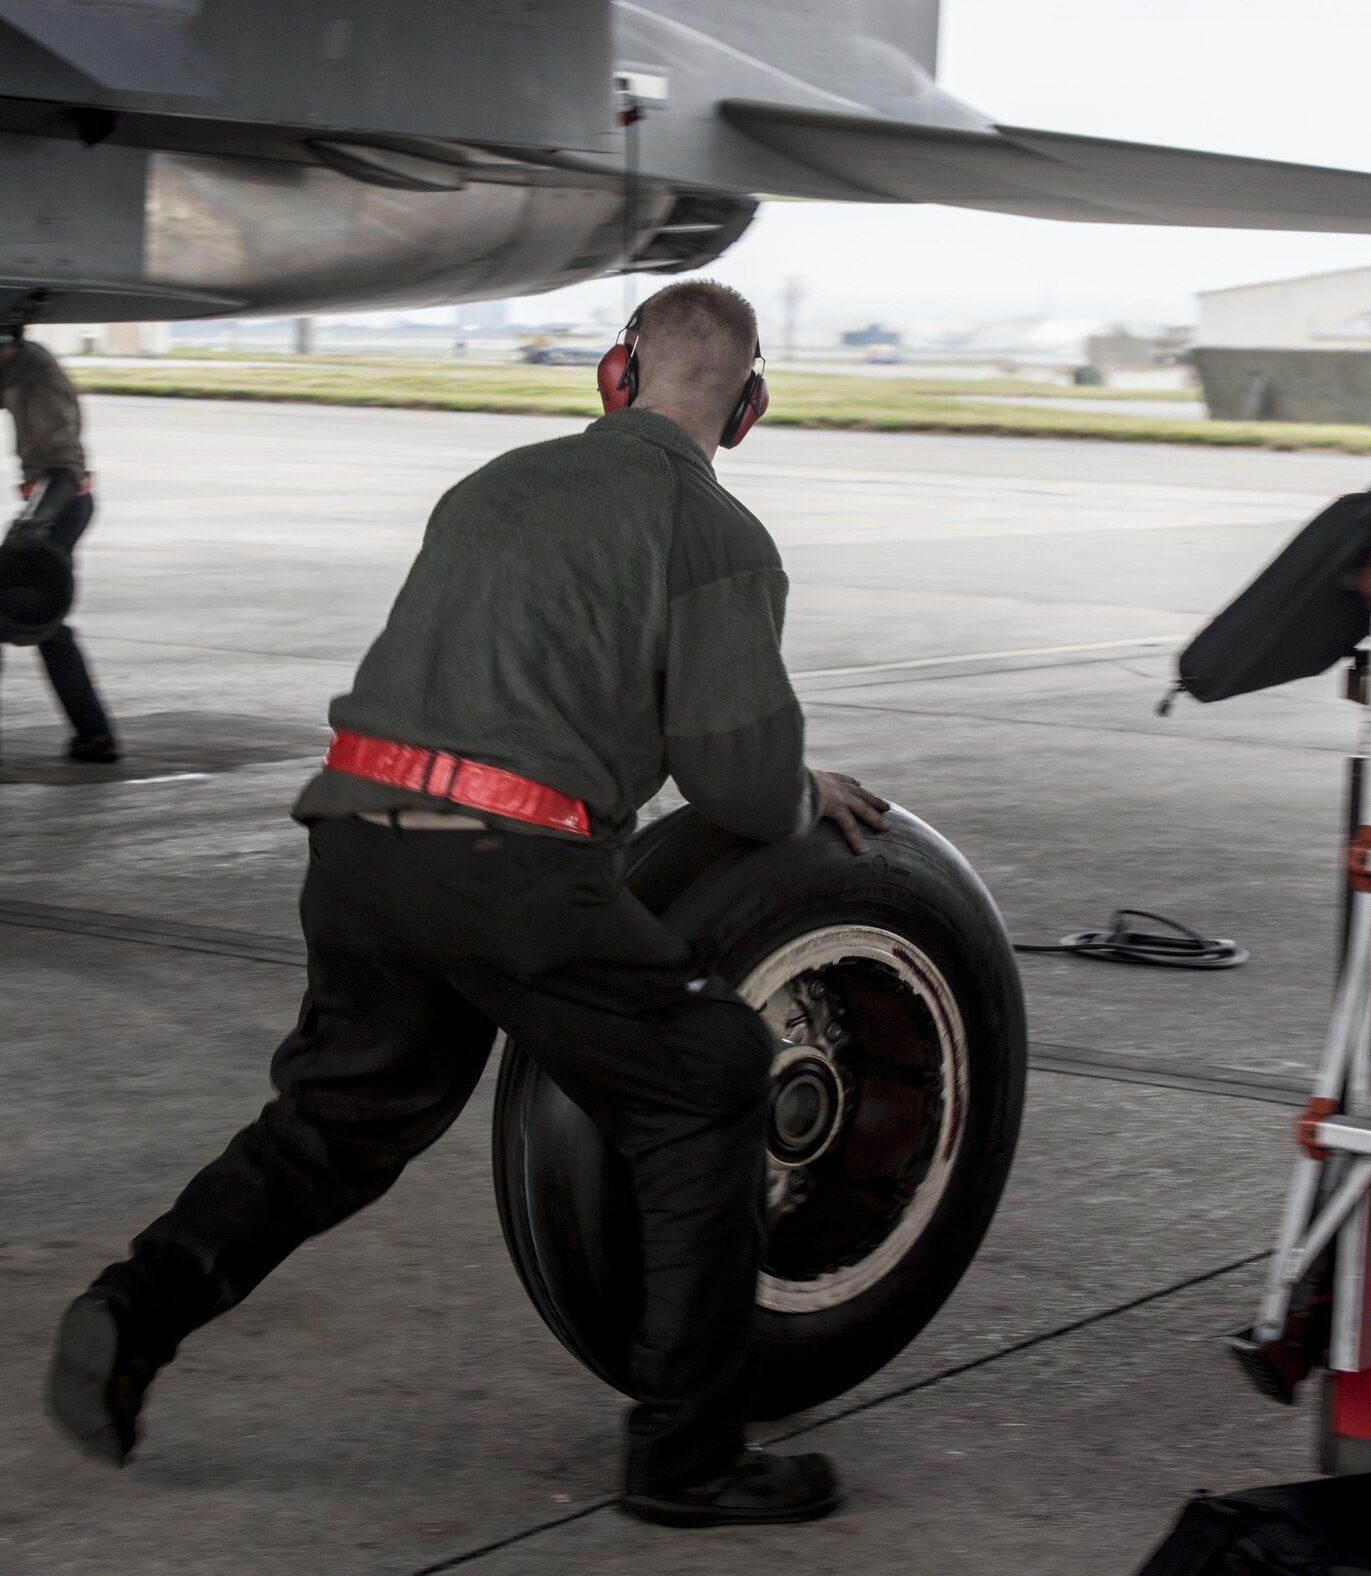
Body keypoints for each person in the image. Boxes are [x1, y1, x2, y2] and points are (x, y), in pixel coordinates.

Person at [45, 278, 888, 1528]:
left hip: (356, 847)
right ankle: (686, 1454)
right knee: (708, 1069)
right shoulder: (714, 533)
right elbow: (741, 786)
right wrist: (800, 781)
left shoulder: (491, 482)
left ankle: (132, 1310)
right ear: (750, 405)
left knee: (336, 1121)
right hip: (514, 869)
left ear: (613, 375)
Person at [0, 320, 119, 763]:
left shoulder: (38, 384)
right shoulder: (16, 367)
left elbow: (64, 469)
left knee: (28, 617)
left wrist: (35, 525)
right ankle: (95, 734)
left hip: (59, 506)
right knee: (40, 625)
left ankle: (96, 734)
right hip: (48, 508)